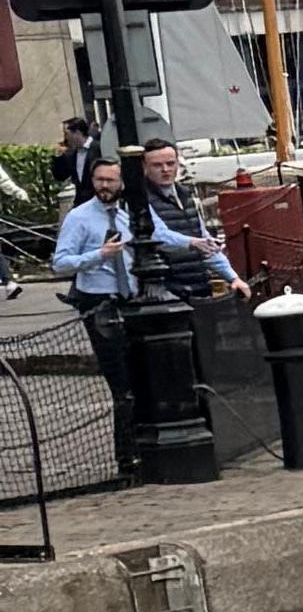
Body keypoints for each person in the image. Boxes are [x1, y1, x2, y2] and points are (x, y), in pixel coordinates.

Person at [53, 132, 245, 425]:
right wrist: (98, 255)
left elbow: (163, 235)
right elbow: (60, 263)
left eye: (110, 181)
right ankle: (129, 453)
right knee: (121, 381)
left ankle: (162, 432)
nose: (104, 186)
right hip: (100, 303)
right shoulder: (79, 218)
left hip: (133, 298)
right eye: (99, 181)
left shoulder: (133, 211)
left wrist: (222, 267)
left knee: (146, 375)